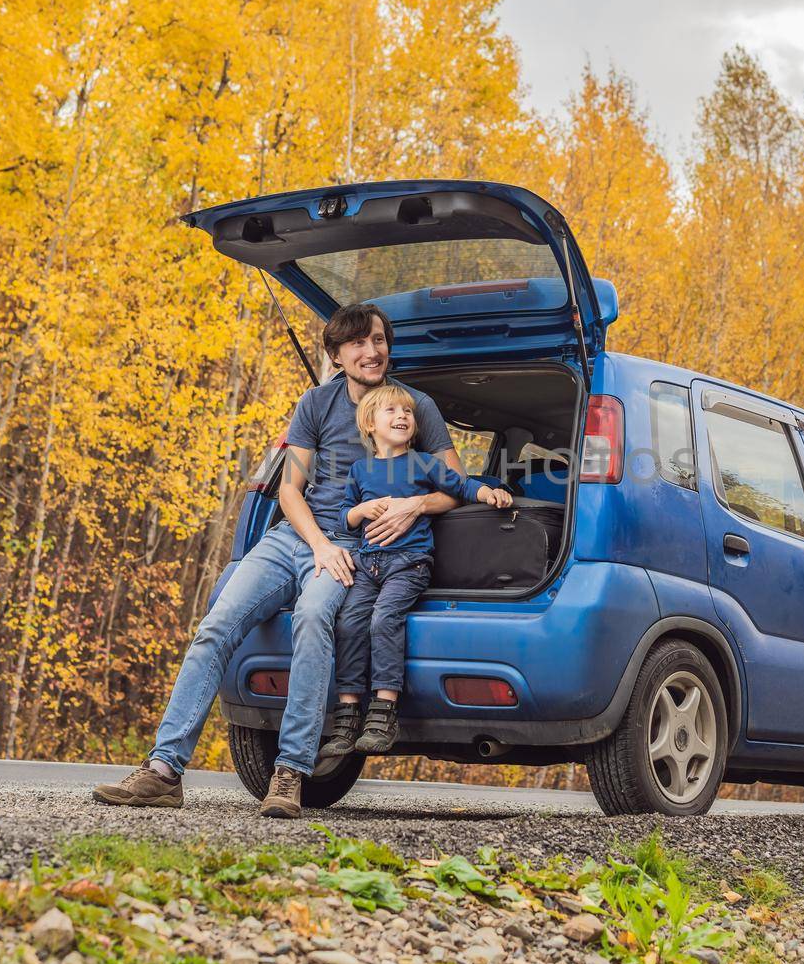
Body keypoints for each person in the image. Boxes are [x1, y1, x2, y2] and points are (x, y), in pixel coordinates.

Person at [92, 303, 464, 818]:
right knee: (216, 626)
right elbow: (290, 489)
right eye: (357, 343)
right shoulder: (315, 403)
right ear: (335, 355)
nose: (371, 351)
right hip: (299, 538)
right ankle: (163, 771)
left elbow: (455, 488)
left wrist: (413, 504)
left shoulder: (411, 405)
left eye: (378, 340)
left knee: (313, 621)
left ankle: (289, 773)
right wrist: (317, 545)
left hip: (356, 547)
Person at [319, 385, 512, 758]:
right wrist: (362, 511)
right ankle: (347, 714)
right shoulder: (361, 470)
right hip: (367, 563)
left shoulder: (424, 464)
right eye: (391, 411)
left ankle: (384, 711)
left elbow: (463, 486)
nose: (403, 417)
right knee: (349, 622)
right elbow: (345, 515)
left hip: (409, 563)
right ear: (369, 423)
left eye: (407, 412)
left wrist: (490, 494)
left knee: (384, 619)